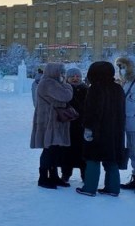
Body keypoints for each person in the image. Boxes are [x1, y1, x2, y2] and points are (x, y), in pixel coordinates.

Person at [77, 61, 125, 197]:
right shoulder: (118, 88)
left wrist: (88, 128)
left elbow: (92, 112)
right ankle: (113, 188)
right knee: (111, 159)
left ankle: (89, 188)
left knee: (93, 159)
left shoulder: (95, 89)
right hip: (115, 131)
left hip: (97, 131)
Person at [30, 62, 73, 189]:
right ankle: (43, 178)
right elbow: (66, 96)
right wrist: (68, 85)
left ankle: (53, 176)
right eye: (61, 71)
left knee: (54, 150)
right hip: (49, 122)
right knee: (49, 150)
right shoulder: (48, 83)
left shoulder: (51, 83)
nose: (62, 74)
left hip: (52, 121)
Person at [57, 67, 88, 184]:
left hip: (82, 126)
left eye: (78, 76)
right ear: (67, 78)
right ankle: (65, 174)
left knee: (83, 153)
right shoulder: (63, 90)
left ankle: (85, 175)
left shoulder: (86, 90)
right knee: (66, 152)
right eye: (72, 76)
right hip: (67, 126)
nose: (75, 78)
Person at [115, 56, 135, 190]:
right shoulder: (125, 82)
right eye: (119, 67)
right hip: (128, 123)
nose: (120, 70)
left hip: (132, 122)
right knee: (133, 151)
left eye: (122, 66)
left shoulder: (132, 83)